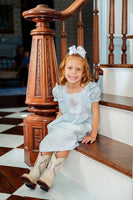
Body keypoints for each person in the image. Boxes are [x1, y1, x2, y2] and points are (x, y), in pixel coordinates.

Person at [20, 45, 101, 191]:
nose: (73, 72)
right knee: (51, 137)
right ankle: (35, 174)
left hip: (81, 124)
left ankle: (50, 175)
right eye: (70, 68)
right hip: (66, 122)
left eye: (78, 69)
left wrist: (93, 133)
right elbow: (62, 111)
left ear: (83, 73)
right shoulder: (60, 90)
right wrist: (56, 125)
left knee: (66, 138)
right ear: (64, 69)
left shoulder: (90, 89)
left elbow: (95, 112)